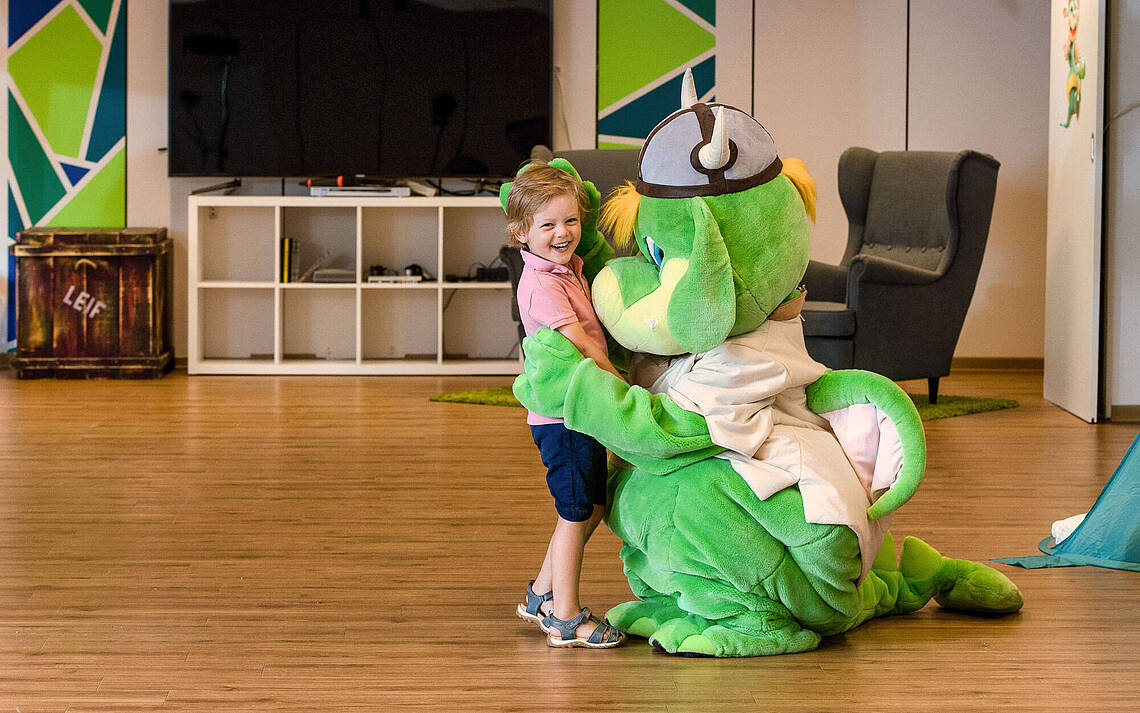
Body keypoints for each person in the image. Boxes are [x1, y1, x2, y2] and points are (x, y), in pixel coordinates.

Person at [504, 161, 627, 649]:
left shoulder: (566, 270)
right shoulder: (542, 285)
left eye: (570, 220)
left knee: (590, 506)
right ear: (521, 233)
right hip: (564, 416)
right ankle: (564, 617)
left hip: (581, 411)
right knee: (577, 512)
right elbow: (583, 345)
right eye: (548, 224)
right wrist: (625, 387)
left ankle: (541, 593)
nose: (563, 232)